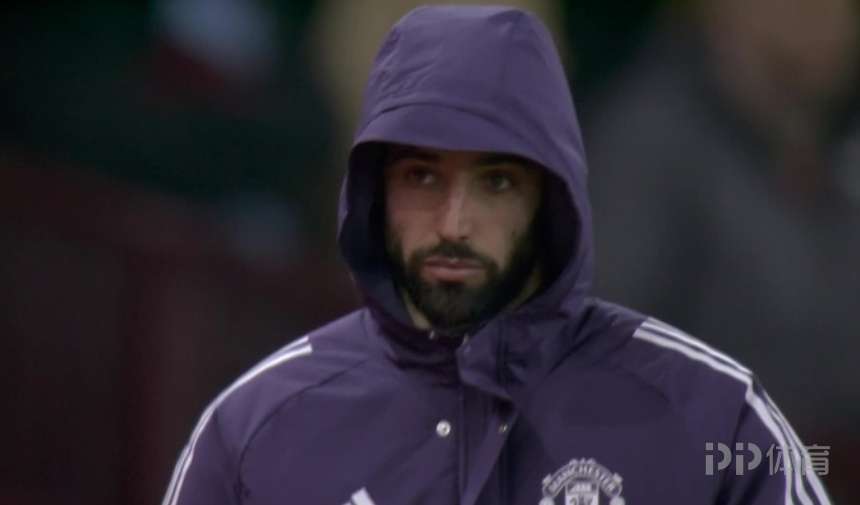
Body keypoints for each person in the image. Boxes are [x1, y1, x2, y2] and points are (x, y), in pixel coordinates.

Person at [161, 6, 831, 505]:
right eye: (422, 176)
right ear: (373, 191)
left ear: (552, 197)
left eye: (497, 182)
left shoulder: (716, 416)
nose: (455, 222)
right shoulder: (256, 428)